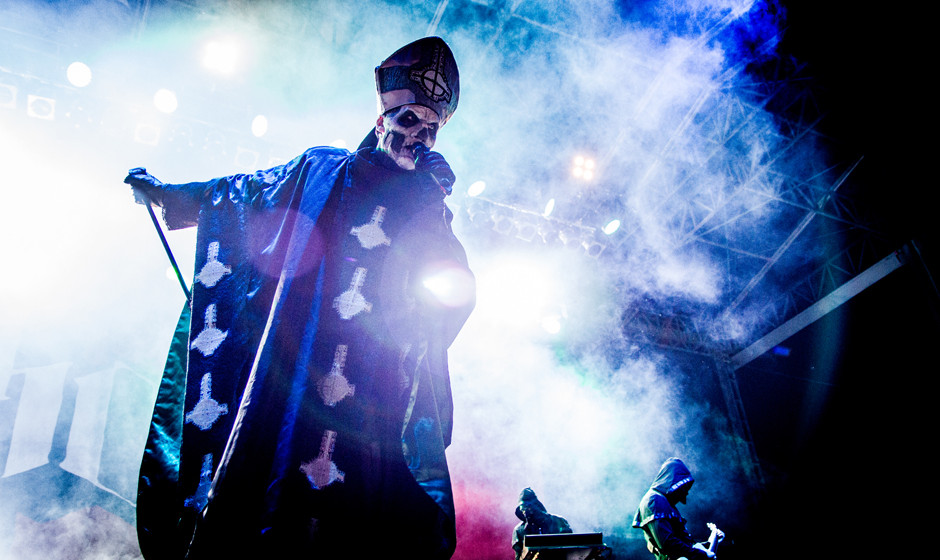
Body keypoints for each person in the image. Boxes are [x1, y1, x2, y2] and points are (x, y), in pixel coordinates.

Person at [125, 36, 475, 560]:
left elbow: (452, 290)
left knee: (349, 514)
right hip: (289, 373)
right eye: (407, 123)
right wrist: (175, 196)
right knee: (264, 488)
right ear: (381, 121)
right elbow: (247, 194)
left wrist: (429, 207)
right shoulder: (321, 169)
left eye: (429, 129)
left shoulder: (425, 204)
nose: (417, 139)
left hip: (367, 394)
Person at [632, 457, 716, 560]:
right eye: (685, 487)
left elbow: (684, 544)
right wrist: (701, 554)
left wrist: (713, 540)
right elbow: (667, 543)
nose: (686, 493)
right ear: (674, 480)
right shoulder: (654, 500)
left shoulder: (662, 501)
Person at [511, 487, 573, 560]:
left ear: (536, 506)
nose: (525, 511)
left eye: (528, 507)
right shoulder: (519, 530)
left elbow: (571, 548)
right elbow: (518, 557)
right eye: (522, 508)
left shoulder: (559, 522)